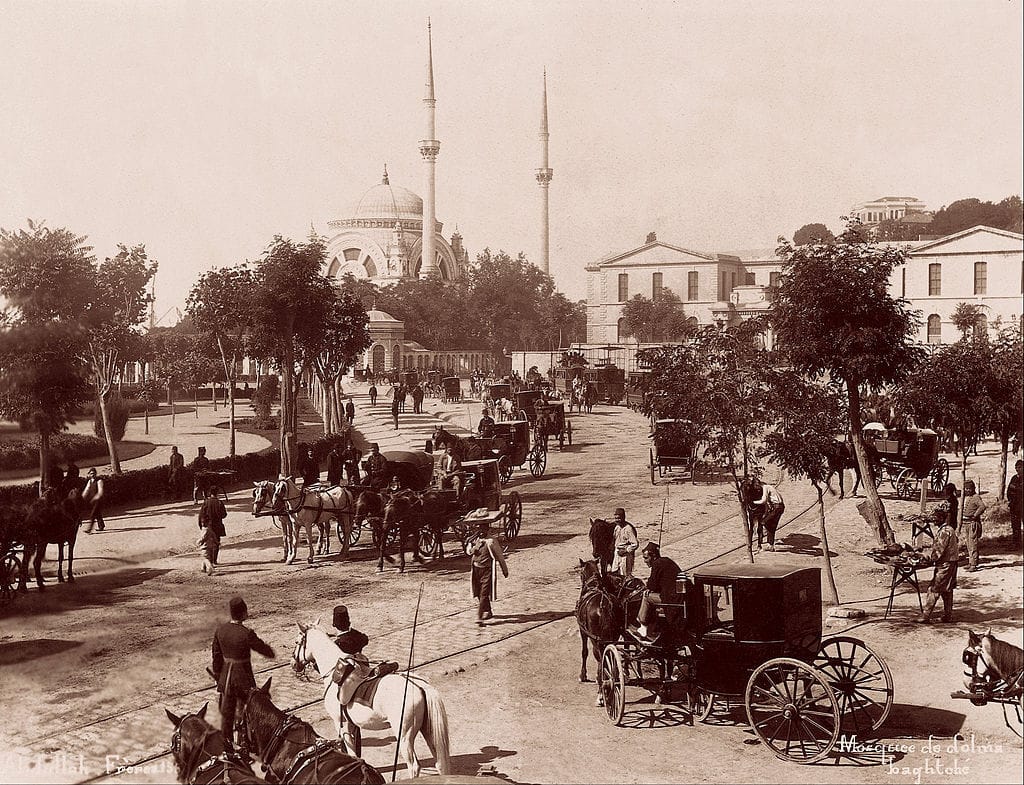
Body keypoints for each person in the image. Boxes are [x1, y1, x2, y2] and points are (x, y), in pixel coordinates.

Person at [211, 597, 275, 751]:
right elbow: (266, 651)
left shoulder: (220, 630)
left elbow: (216, 656)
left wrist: (218, 675)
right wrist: (270, 650)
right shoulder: (246, 633)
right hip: (243, 680)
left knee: (227, 716)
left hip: (226, 679)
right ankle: (245, 744)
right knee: (246, 712)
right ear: (243, 613)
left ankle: (227, 747)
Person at [918, 505, 960, 623]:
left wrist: (928, 559)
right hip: (950, 563)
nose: (934, 520)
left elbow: (939, 550)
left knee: (934, 589)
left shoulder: (945, 531)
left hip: (946, 564)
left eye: (936, 518)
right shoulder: (948, 529)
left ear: (942, 518)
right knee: (947, 590)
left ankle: (925, 616)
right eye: (933, 518)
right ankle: (948, 615)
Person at [633, 542, 680, 642]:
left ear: (653, 556)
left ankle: (643, 626)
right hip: (678, 596)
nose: (645, 561)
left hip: (671, 599)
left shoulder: (657, 564)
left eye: (646, 558)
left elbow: (652, 585)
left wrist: (648, 587)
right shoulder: (666, 561)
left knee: (646, 596)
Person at [466, 518, 508, 624]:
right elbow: (468, 551)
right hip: (476, 570)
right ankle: (488, 611)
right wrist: (473, 550)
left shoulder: (491, 541)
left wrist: (504, 570)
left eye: (483, 528)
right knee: (478, 593)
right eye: (479, 528)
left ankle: (479, 616)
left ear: (487, 529)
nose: (481, 531)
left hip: (487, 571)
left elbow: (500, 556)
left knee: (484, 593)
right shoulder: (474, 539)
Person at [748, 479, 785, 552]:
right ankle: (770, 545)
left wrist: (753, 502)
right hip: (779, 507)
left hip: (777, 508)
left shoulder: (765, 488)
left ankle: (766, 538)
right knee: (772, 526)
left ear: (757, 485)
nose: (758, 489)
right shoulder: (770, 487)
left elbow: (763, 500)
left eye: (756, 487)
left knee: (763, 522)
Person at [960, 480, 986, 572]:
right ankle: (971, 562)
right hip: (967, 523)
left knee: (973, 544)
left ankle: (974, 564)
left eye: (969, 488)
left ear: (973, 488)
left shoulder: (976, 497)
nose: (967, 490)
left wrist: (975, 515)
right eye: (966, 488)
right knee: (969, 544)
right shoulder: (969, 497)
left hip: (972, 523)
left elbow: (982, 507)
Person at [199, 487, 228, 565]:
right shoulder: (219, 502)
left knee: (208, 544)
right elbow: (224, 515)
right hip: (217, 526)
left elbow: (201, 515)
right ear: (217, 493)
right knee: (216, 543)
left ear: (210, 493)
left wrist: (201, 526)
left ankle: (209, 560)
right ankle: (214, 560)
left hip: (208, 526)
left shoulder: (206, 502)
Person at [610, 508, 639, 579]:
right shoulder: (617, 528)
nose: (617, 520)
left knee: (624, 575)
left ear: (623, 518)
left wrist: (626, 550)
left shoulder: (628, 529)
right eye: (616, 518)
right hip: (617, 554)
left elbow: (635, 544)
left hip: (625, 556)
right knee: (614, 573)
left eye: (619, 518)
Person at [82, 468, 105, 533]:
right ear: (89, 474)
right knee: (97, 513)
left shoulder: (99, 481)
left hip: (98, 500)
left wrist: (95, 498)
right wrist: (82, 498)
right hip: (93, 500)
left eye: (94, 473)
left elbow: (100, 492)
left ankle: (89, 529)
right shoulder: (90, 481)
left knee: (93, 514)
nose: (92, 475)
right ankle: (101, 526)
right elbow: (86, 490)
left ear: (96, 474)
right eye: (91, 474)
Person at [1007, 459, 1022, 546]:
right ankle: (1016, 543)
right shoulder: (1014, 478)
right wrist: (1010, 500)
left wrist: (1015, 488)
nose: (1017, 469)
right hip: (1014, 505)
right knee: (1015, 525)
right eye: (1016, 467)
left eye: (1019, 467)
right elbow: (1009, 490)